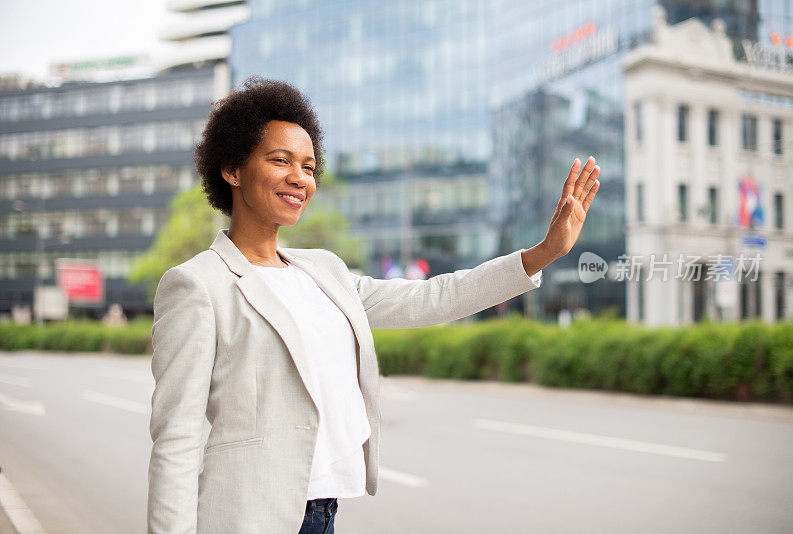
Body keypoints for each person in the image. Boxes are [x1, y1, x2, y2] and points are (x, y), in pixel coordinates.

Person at [146, 77, 600, 534]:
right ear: (232, 169)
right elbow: (176, 440)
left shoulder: (323, 271)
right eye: (280, 160)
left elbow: (433, 297)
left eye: (308, 166)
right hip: (246, 517)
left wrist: (543, 253)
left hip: (321, 512)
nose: (299, 178)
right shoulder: (196, 285)